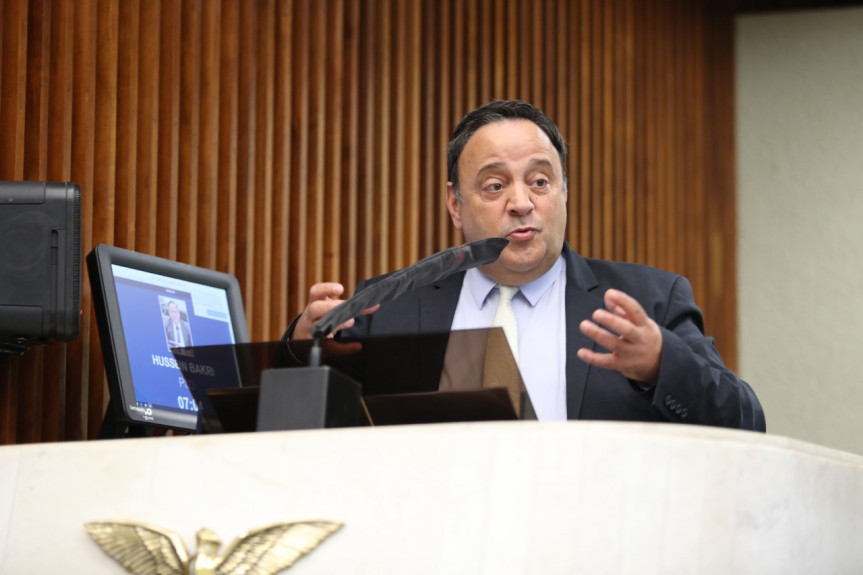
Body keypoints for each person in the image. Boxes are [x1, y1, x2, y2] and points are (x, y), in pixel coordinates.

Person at [285, 99, 765, 431]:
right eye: (494, 186)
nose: (521, 203)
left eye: (539, 181)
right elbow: (295, 421)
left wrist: (662, 365)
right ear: (455, 204)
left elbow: (746, 421)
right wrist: (306, 345)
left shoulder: (650, 300)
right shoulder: (388, 306)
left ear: (563, 192)